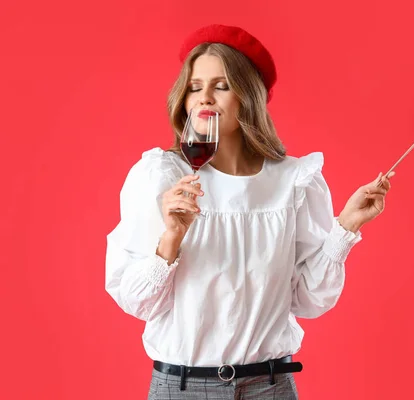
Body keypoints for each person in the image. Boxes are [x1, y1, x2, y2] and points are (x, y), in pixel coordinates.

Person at [105, 24, 394, 400]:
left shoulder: (293, 181)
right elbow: (137, 302)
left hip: (270, 388)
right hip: (182, 388)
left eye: (221, 85)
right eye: (194, 87)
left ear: (248, 94)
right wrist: (171, 238)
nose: (204, 98)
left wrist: (346, 227)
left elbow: (308, 300)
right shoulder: (161, 177)